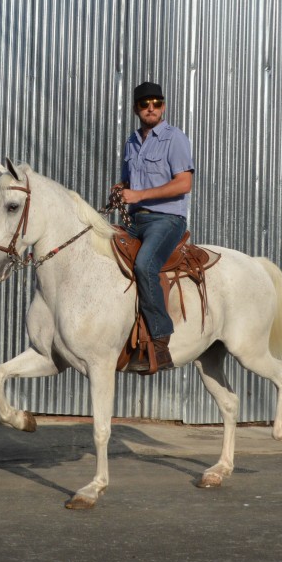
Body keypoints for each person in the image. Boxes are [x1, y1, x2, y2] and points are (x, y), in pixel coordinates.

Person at [114, 81, 195, 373]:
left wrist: (138, 195)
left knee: (146, 264)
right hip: (136, 220)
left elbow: (184, 183)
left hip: (167, 220)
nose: (151, 108)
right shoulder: (132, 141)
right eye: (145, 103)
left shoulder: (175, 138)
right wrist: (122, 188)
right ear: (136, 108)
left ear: (163, 106)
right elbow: (131, 182)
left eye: (157, 103)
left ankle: (159, 342)